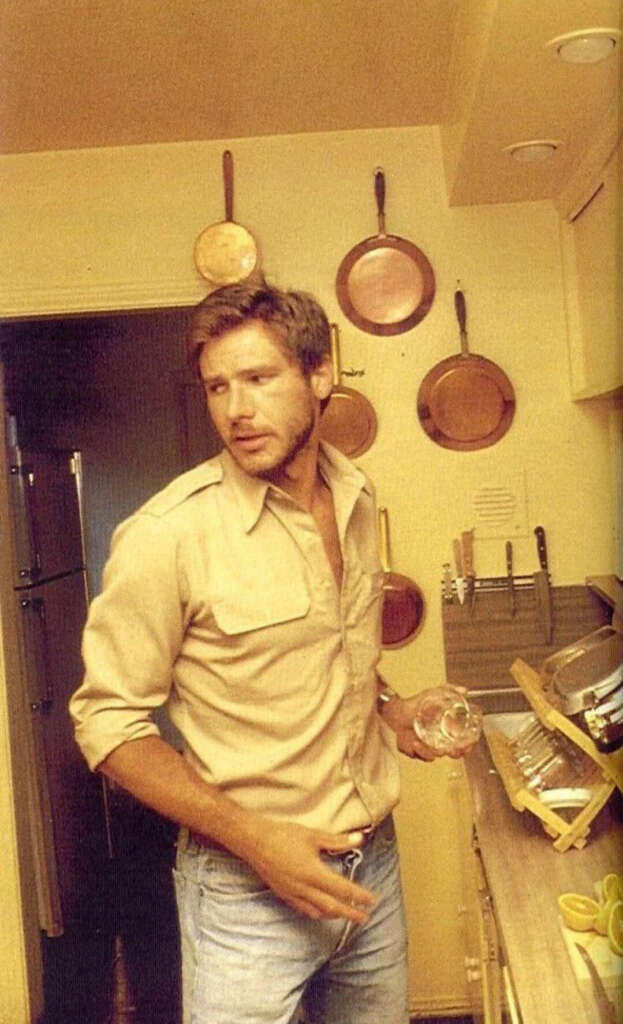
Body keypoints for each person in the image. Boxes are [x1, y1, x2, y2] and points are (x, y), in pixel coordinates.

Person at [70, 279, 470, 1024]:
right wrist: (257, 840)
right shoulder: (168, 536)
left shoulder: (354, 494)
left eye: (258, 379)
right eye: (218, 387)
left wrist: (390, 709)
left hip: (369, 869)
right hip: (242, 893)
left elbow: (334, 652)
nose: (235, 409)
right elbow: (107, 726)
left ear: (319, 376)